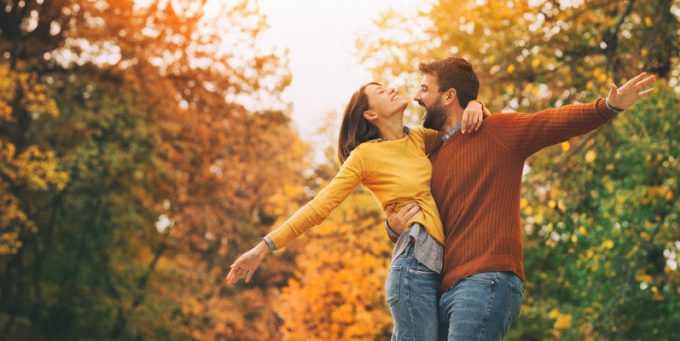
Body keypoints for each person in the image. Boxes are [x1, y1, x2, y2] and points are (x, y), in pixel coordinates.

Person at [385, 57, 656, 341]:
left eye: (425, 89)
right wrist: (394, 226)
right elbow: (418, 219)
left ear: (450, 96)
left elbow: (551, 122)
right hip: (444, 292)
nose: (416, 96)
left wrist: (608, 106)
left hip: (485, 280)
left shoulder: (497, 131)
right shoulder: (432, 159)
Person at [225, 81, 490, 340]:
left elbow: (464, 131)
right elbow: (320, 206)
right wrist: (262, 248)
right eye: (381, 91)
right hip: (414, 266)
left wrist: (477, 106)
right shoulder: (364, 156)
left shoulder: (420, 138)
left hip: (441, 265)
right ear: (370, 114)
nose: (392, 90)